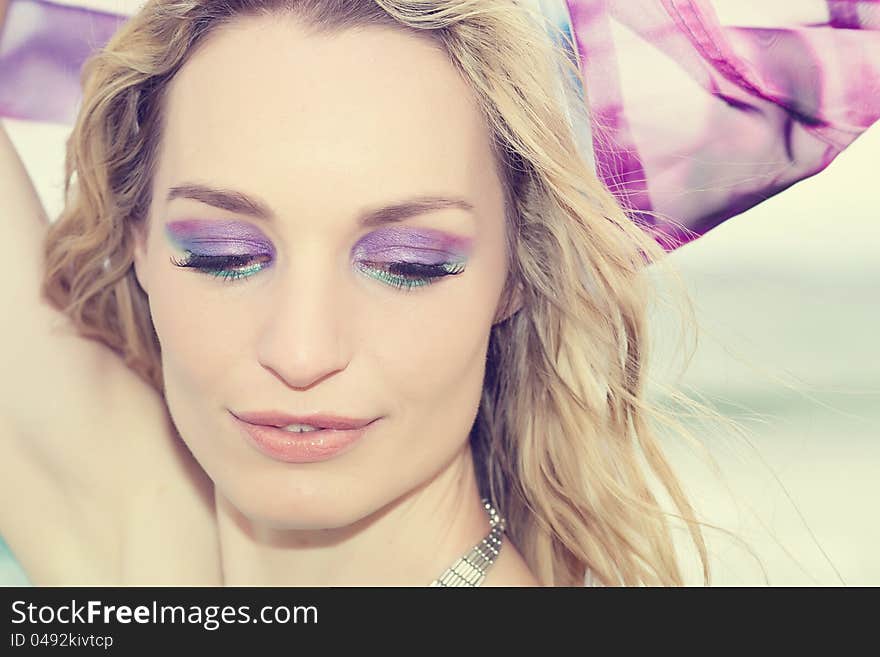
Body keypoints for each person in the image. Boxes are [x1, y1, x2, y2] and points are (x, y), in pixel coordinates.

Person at [1, 0, 876, 587]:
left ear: (514, 272)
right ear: (138, 242)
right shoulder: (133, 538)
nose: (303, 351)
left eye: (408, 262)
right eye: (225, 252)